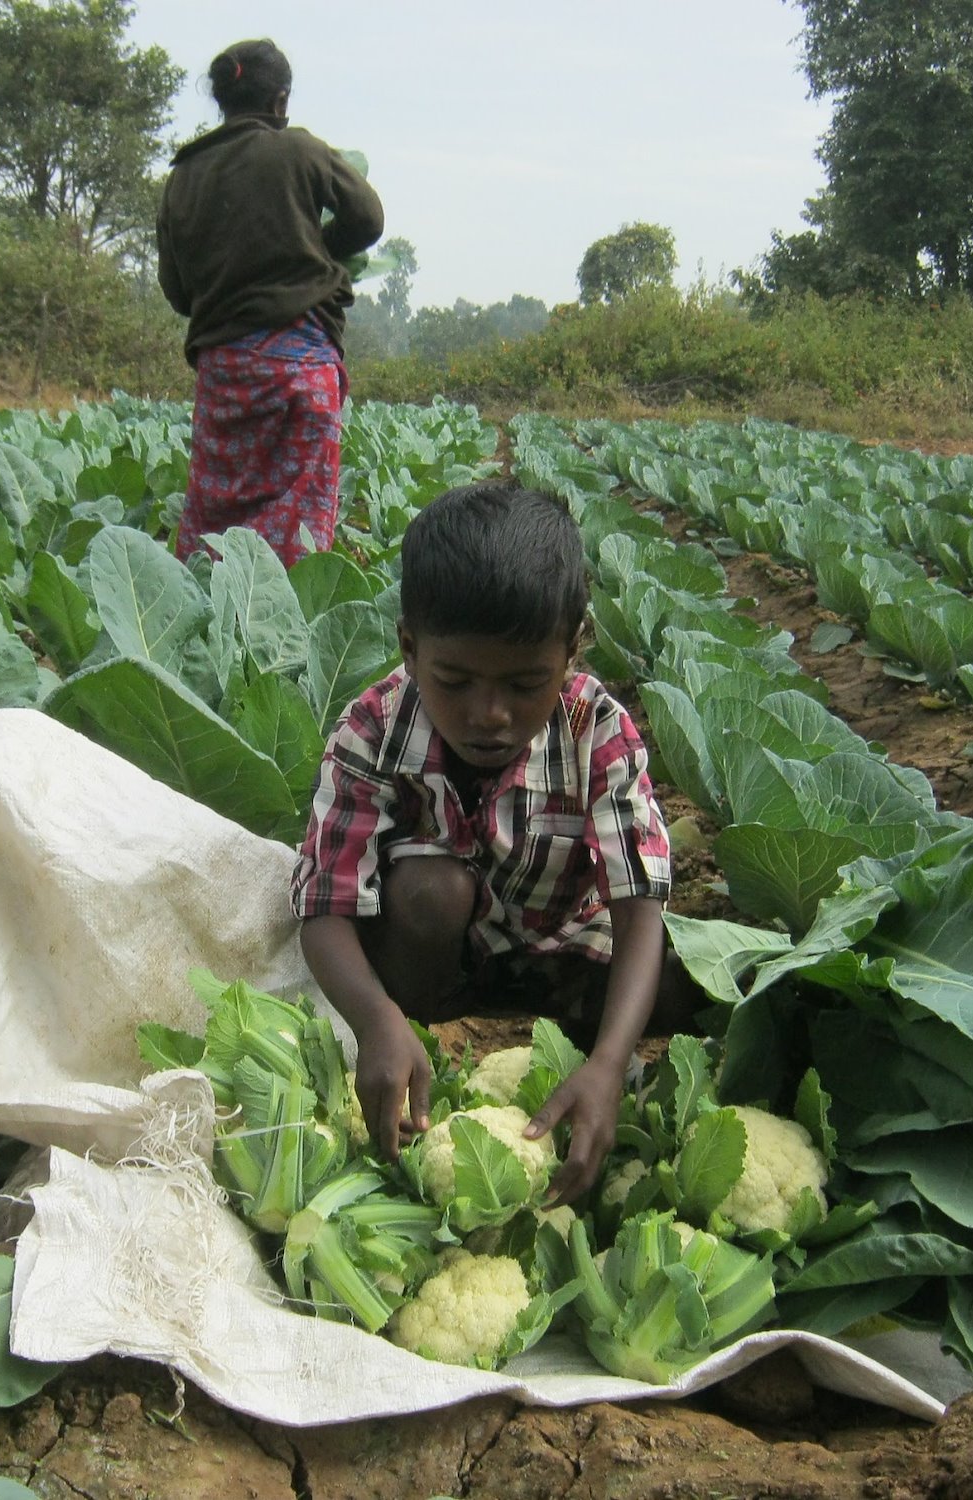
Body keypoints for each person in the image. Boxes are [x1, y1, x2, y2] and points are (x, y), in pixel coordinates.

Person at [292, 484, 684, 1205]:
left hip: (560, 949)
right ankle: (410, 1036)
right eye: (456, 679)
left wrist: (607, 1061)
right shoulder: (372, 730)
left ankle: (590, 1068)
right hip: (432, 959)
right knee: (428, 890)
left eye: (526, 683)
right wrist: (375, 1020)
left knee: (687, 973)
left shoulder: (597, 731)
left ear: (572, 651)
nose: (489, 713)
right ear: (410, 647)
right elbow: (323, 904)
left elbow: (639, 905)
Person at [155, 38, 384, 568]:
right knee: (298, 520)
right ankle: (283, 635)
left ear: (223, 102)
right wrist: (317, 251)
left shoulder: (183, 176)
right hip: (301, 372)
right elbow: (368, 219)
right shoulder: (299, 149)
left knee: (219, 511)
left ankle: (213, 629)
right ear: (280, 102)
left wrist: (227, 288)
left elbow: (176, 291)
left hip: (226, 374)